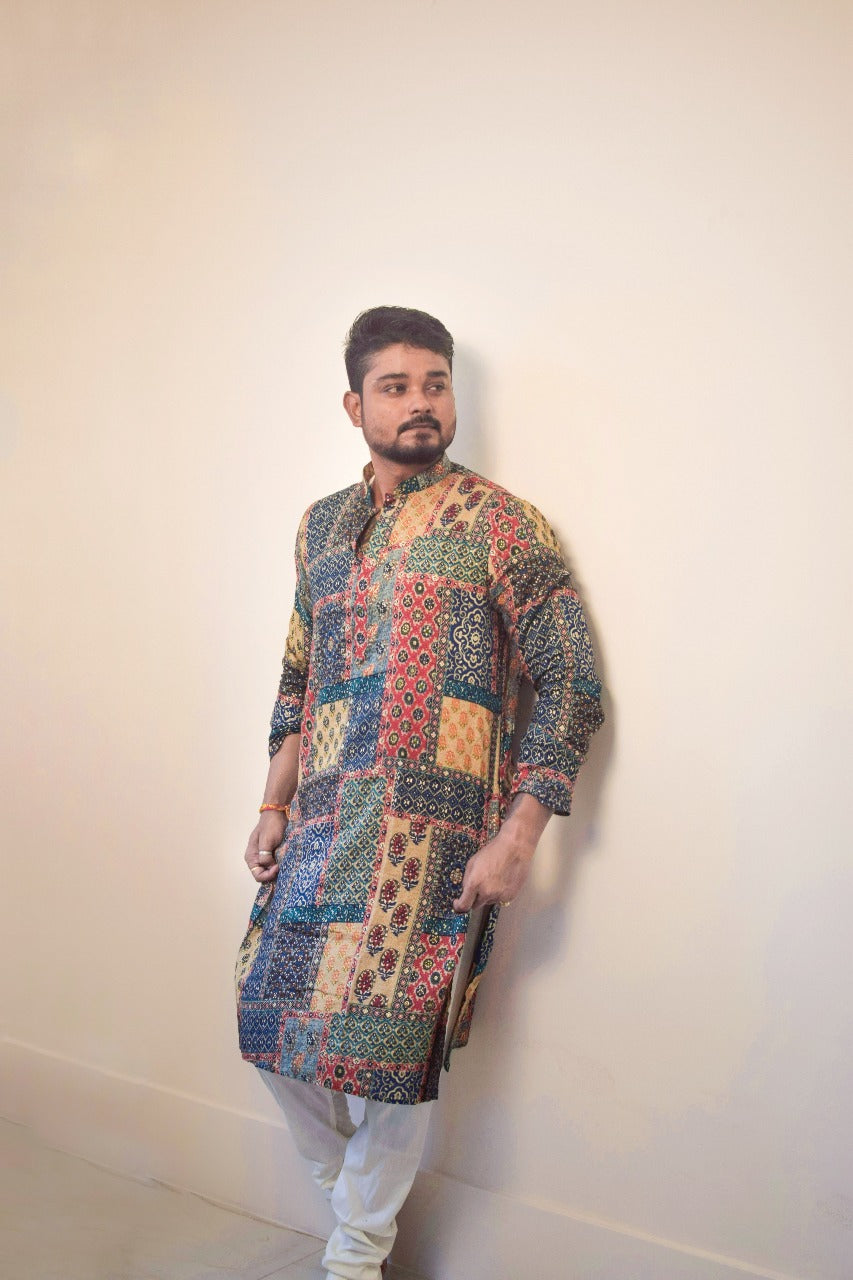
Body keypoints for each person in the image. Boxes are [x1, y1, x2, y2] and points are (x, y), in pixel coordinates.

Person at [235, 306, 604, 1280]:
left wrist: (520, 832)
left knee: (394, 1058)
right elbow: (298, 677)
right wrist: (271, 804)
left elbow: (571, 682)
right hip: (320, 826)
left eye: (435, 383)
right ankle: (347, 1205)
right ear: (354, 404)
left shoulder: (501, 522)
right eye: (395, 387)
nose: (419, 403)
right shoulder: (320, 527)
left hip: (433, 836)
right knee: (267, 1027)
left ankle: (354, 1257)